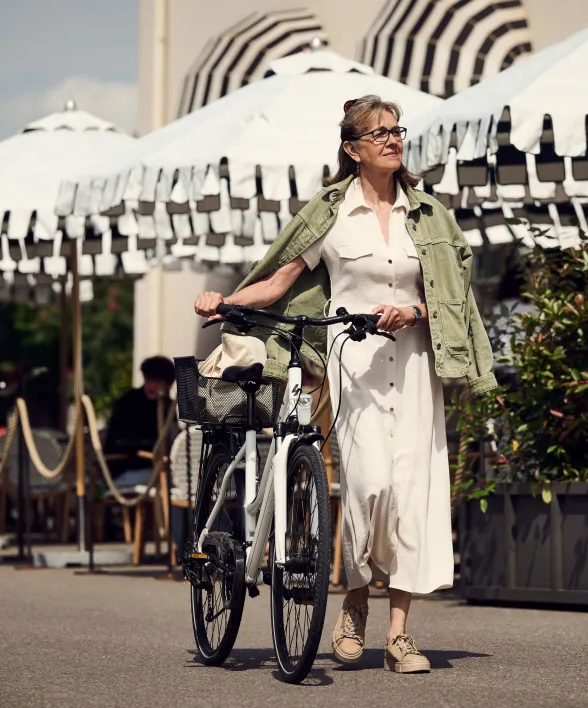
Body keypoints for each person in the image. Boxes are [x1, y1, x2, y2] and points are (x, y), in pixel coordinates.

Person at [194, 95, 495, 675]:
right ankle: (354, 604)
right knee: (368, 487)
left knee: (411, 492)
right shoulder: (330, 214)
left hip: (413, 369)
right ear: (352, 149)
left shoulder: (429, 214)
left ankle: (400, 634)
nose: (392, 140)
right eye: (378, 133)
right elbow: (278, 281)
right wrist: (225, 299)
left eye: (397, 131)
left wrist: (416, 313)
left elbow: (453, 299)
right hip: (350, 366)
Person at [103, 356, 176, 492]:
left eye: (157, 381)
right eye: (148, 379)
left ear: (168, 384)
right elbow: (118, 442)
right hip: (126, 470)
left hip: (155, 469)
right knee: (169, 483)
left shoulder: (168, 406)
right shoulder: (128, 402)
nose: (151, 385)